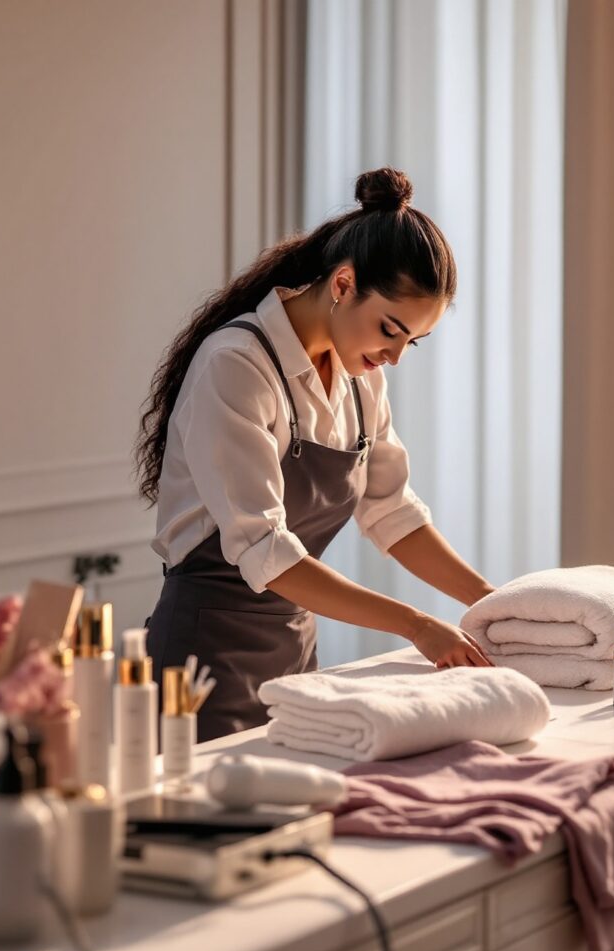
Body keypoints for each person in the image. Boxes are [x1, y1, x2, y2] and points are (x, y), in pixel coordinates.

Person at [136, 166, 496, 741]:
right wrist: (418, 625)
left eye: (412, 342)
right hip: (201, 664)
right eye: (390, 330)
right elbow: (267, 551)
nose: (395, 356)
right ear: (344, 284)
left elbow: (392, 512)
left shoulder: (359, 376)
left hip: (296, 661)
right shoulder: (236, 365)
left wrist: (494, 604)